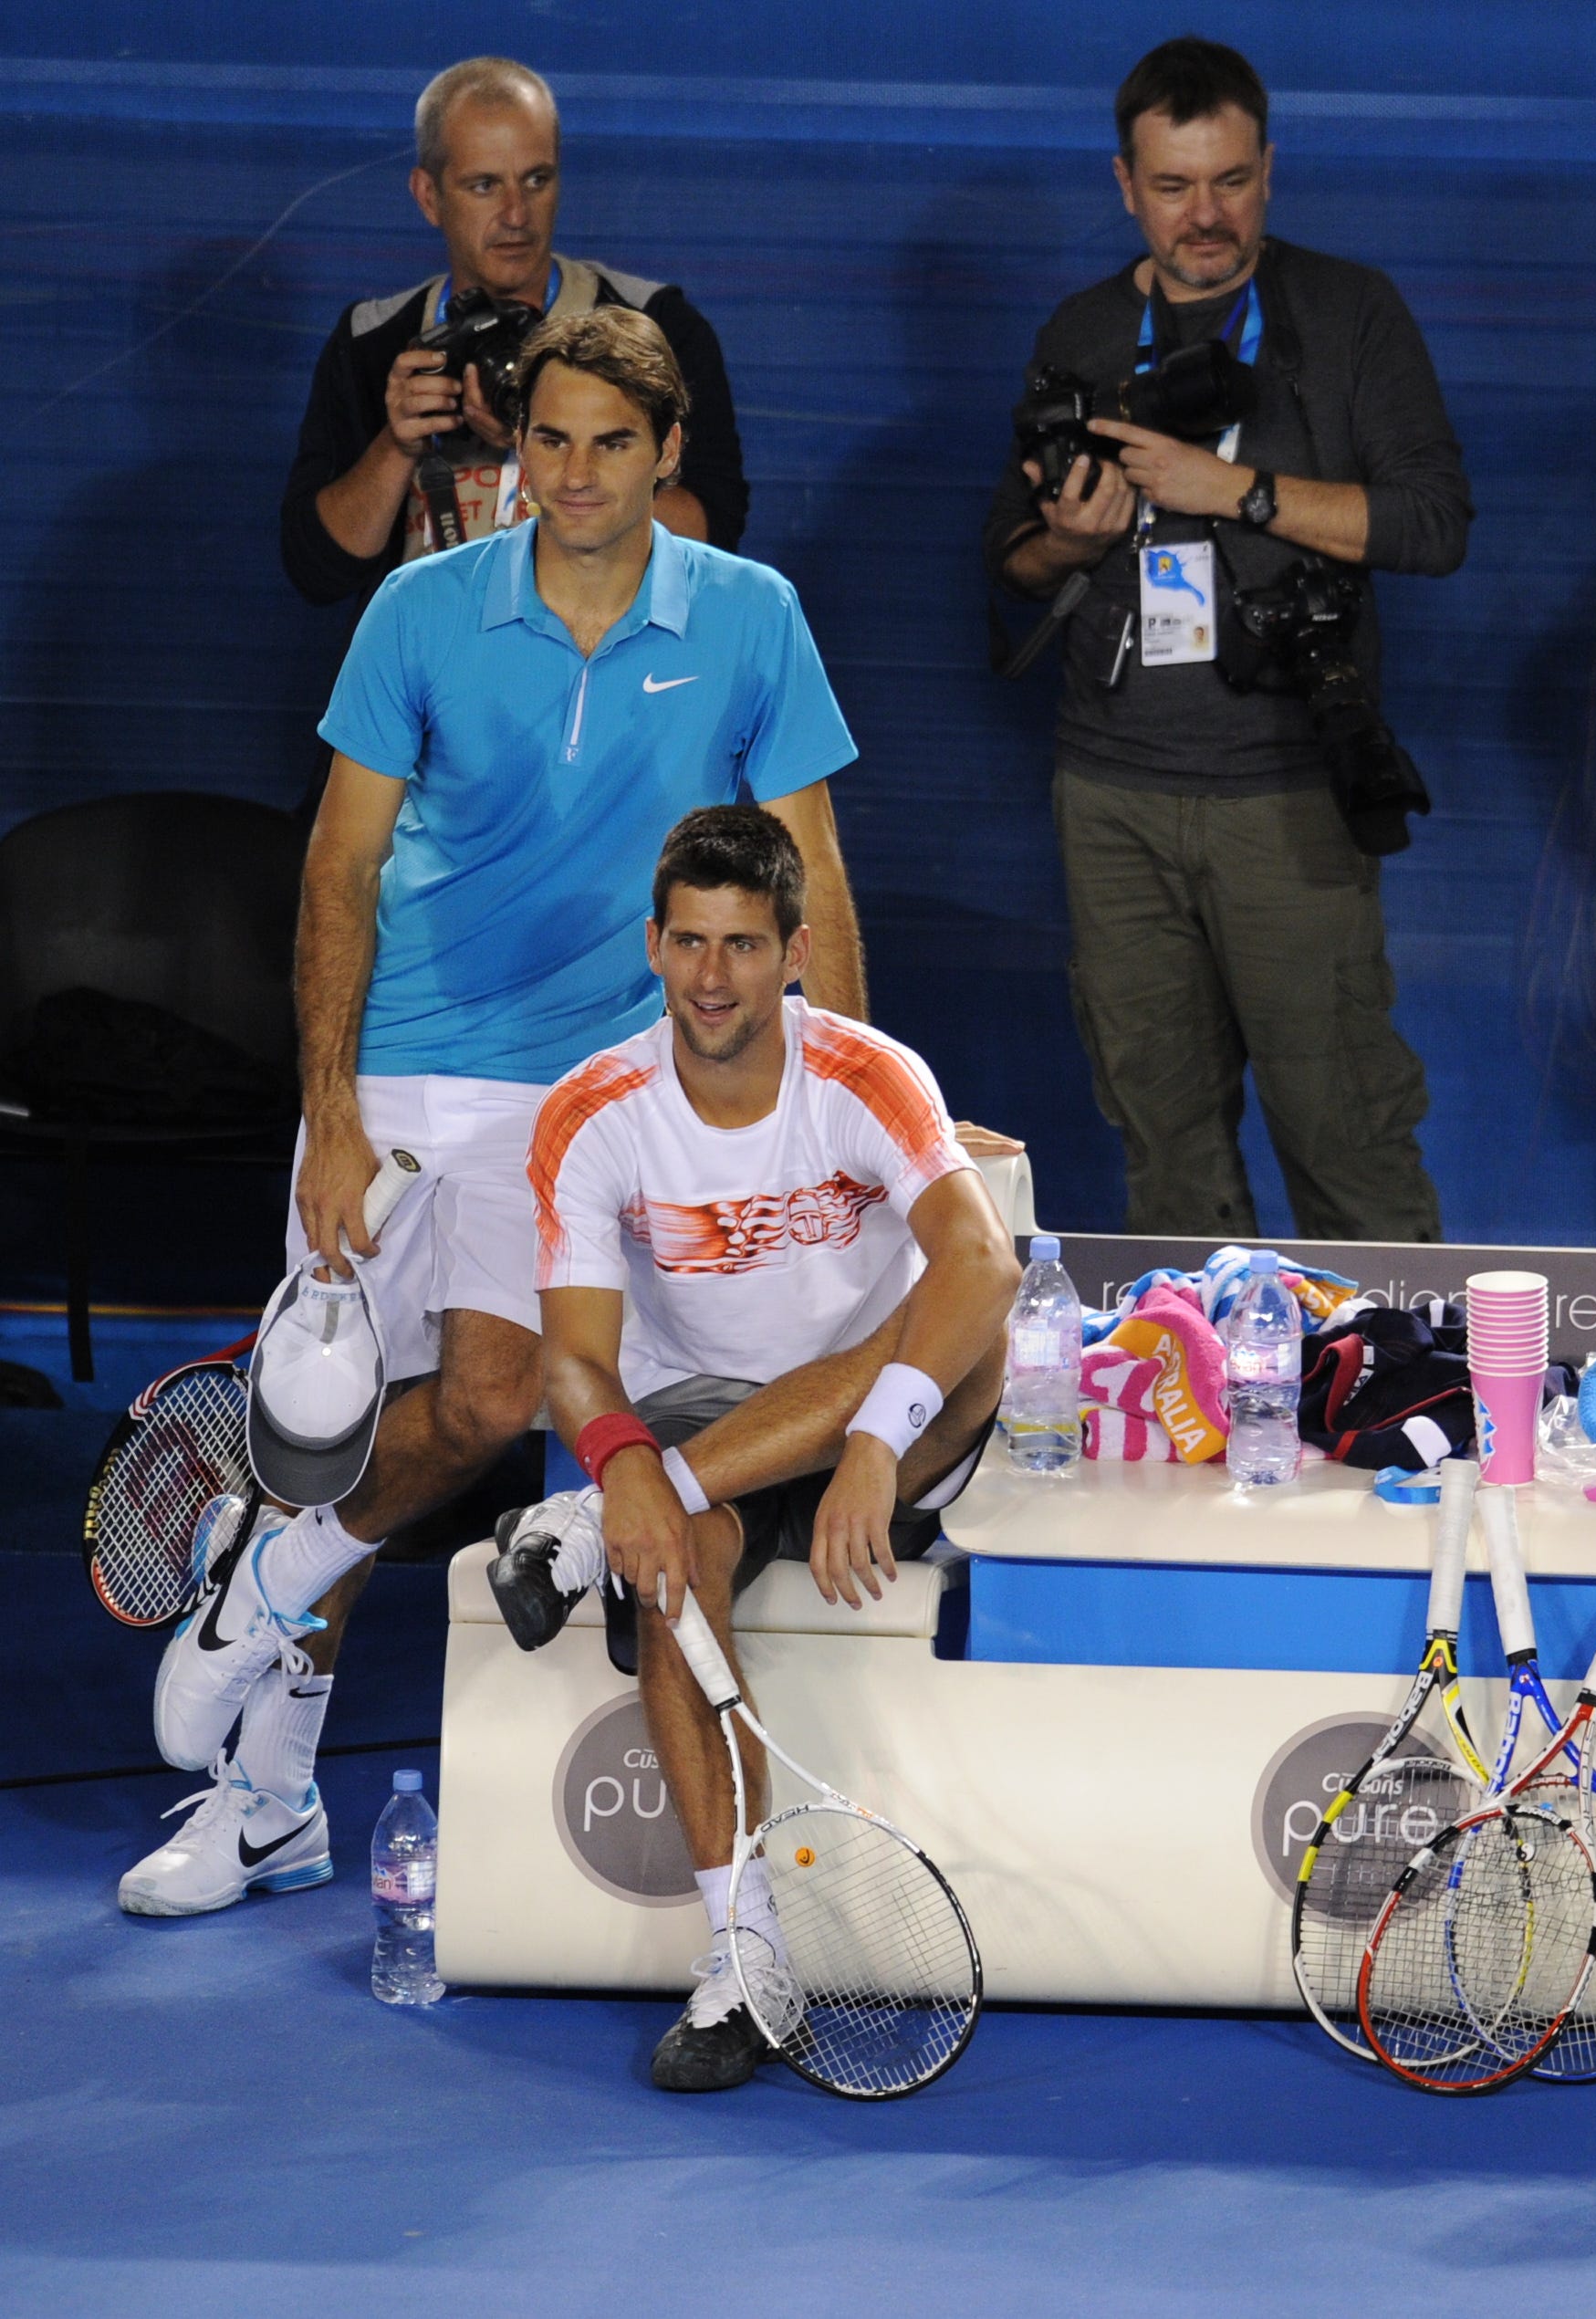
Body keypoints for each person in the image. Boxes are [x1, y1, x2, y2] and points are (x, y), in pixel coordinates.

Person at [127, 311, 866, 1919]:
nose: (577, 475)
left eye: (613, 442)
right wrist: (327, 1108)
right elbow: (338, 866)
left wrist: (850, 1113)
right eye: (549, 441)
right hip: (413, 1072)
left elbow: (809, 878)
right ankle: (260, 1802)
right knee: (324, 1424)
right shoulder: (417, 609)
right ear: (508, 449)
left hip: (619, 1087)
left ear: (668, 452)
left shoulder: (752, 618)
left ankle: (271, 1581)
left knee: (494, 1395)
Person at [502, 806, 1015, 2091]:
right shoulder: (594, 1112)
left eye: (741, 945)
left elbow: (982, 1261)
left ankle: (604, 1524)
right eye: (687, 942)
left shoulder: (867, 1076)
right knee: (675, 1572)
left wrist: (872, 1442)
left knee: (966, 1321)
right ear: (654, 944)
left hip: (884, 1413)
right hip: (709, 1415)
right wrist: (626, 1468)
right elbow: (571, 1355)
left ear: (795, 951)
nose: (711, 976)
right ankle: (746, 1951)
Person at [986, 35, 1470, 1243]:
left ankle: (1400, 1412)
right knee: (1166, 1160)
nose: (1205, 216)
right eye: (1172, 186)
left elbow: (1433, 523)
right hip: (1112, 797)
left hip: (1288, 795)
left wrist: (1237, 491)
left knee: (1347, 1140)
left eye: (1231, 181)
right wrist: (1073, 539)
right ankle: (1204, 1409)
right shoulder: (1084, 330)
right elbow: (1009, 564)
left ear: (1269, 169)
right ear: (1123, 184)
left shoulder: (1349, 312)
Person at [281, 55, 746, 614]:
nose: (516, 214)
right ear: (429, 196)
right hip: (434, 689)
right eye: (484, 185)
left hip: (606, 681)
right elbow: (317, 570)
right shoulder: (375, 342)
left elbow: (713, 537)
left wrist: (539, 445)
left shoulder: (656, 326)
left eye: (536, 180)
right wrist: (397, 445)